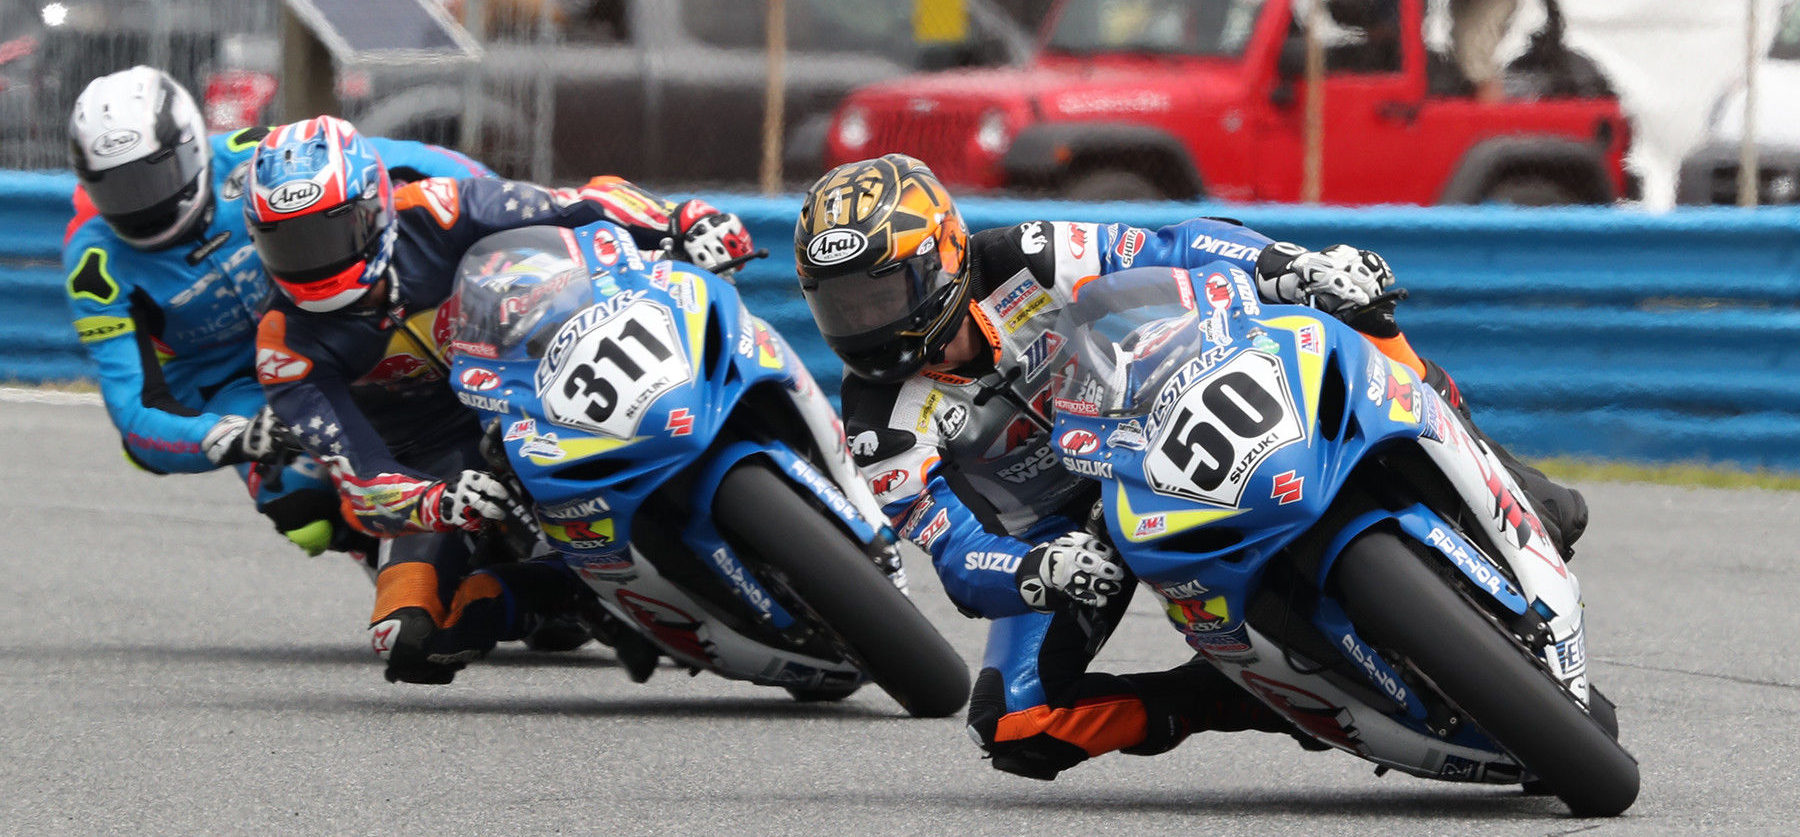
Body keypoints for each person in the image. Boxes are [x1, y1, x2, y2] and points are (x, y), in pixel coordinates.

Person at [792, 153, 1586, 780]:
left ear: (942, 258)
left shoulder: (1027, 256)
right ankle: (1262, 693)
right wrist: (1037, 569)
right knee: (1012, 723)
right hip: (1072, 537)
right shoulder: (876, 420)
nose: (866, 324)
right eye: (843, 306)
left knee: (1349, 306)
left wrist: (1287, 266)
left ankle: (1504, 479)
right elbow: (960, 558)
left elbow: (1172, 246)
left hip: (1152, 418)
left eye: (880, 293)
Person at [245, 115, 756, 685]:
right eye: (289, 243)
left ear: (375, 210)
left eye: (328, 234)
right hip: (433, 458)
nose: (316, 262)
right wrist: (438, 502)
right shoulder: (283, 346)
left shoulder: (437, 208)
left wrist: (679, 219)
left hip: (532, 384)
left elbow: (574, 204)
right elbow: (362, 479)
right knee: (405, 637)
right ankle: (541, 594)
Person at [62, 66, 494, 569]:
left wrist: (489, 192)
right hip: (232, 384)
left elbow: (390, 159)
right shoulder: (94, 266)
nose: (142, 204)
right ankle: (388, 554)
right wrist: (231, 436)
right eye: (116, 189)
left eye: (152, 175)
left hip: (324, 329)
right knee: (300, 501)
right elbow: (134, 410)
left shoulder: (256, 157)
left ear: (191, 147)